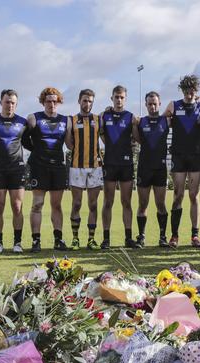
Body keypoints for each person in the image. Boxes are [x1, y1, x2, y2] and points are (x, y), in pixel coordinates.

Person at [163, 74, 200, 248]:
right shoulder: (173, 105)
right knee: (178, 195)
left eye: (192, 91)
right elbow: (162, 121)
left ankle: (195, 236)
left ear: (196, 91)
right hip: (178, 155)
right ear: (182, 91)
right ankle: (174, 236)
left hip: (197, 155)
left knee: (194, 195)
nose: (189, 94)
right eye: (186, 91)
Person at [0, 89, 30, 254]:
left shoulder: (23, 122)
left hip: (17, 169)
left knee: (17, 207)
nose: (10, 105)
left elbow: (31, 144)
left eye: (13, 102)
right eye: (7, 102)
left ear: (16, 104)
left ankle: (17, 243)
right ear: (1, 102)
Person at [26, 87, 69, 252]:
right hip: (39, 166)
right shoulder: (33, 118)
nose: (51, 104)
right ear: (43, 102)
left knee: (56, 205)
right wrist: (36, 151)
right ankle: (36, 241)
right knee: (37, 204)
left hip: (58, 166)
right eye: (48, 101)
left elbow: (70, 144)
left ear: (58, 102)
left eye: (54, 101)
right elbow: (24, 139)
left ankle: (58, 240)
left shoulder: (66, 120)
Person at [99, 85, 138, 249]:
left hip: (126, 163)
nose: (119, 100)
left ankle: (128, 238)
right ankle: (106, 239)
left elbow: (136, 138)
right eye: (116, 97)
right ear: (112, 98)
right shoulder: (104, 115)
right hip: (110, 163)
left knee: (126, 202)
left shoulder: (131, 117)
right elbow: (101, 134)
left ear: (125, 99)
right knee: (108, 201)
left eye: (122, 97)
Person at [65, 89, 102, 251]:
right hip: (77, 167)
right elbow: (69, 144)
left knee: (93, 205)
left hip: (95, 167)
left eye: (90, 101)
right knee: (77, 203)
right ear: (79, 101)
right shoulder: (71, 120)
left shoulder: (98, 119)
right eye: (85, 100)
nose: (88, 104)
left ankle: (91, 239)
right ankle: (75, 239)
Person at [132, 91, 169, 247]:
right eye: (149, 104)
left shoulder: (167, 120)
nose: (152, 106)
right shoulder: (140, 122)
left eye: (155, 103)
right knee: (143, 204)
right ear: (145, 105)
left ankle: (162, 237)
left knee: (161, 204)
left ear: (159, 104)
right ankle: (141, 237)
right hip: (144, 168)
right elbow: (137, 139)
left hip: (160, 168)